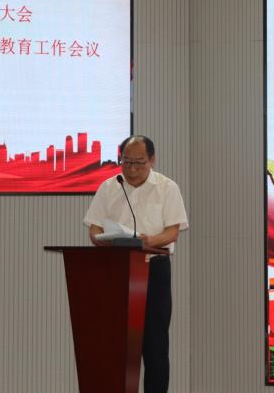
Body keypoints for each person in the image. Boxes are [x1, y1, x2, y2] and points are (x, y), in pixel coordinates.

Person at [84, 135, 188, 393]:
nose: (131, 169)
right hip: (116, 271)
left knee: (155, 347)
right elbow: (94, 229)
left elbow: (172, 232)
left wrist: (147, 241)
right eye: (126, 162)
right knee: (116, 345)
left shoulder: (167, 188)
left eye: (139, 163)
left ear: (152, 159)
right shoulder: (109, 187)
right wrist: (104, 239)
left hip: (154, 269)